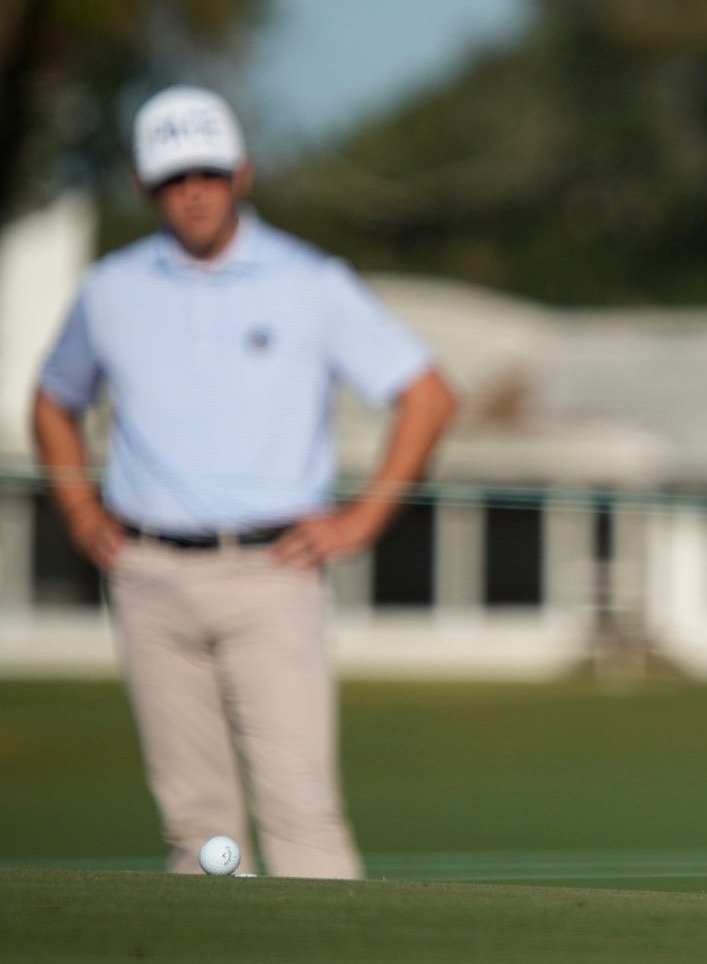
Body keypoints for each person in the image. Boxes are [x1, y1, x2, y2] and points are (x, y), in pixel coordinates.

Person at [33, 86, 458, 878]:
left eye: (208, 172)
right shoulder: (111, 289)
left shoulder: (310, 281)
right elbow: (54, 400)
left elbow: (427, 395)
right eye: (172, 177)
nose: (193, 191)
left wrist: (361, 520)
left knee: (300, 814)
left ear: (242, 172)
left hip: (271, 572)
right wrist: (80, 504)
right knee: (201, 832)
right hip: (149, 575)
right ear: (143, 185)